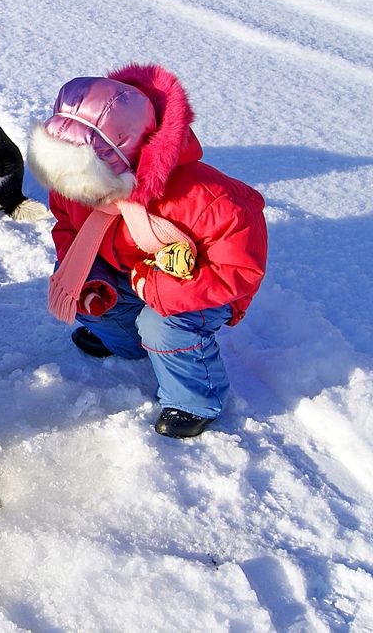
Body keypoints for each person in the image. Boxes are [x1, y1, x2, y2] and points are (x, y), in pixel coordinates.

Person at [26, 64, 267, 438]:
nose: (71, 191)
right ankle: (126, 343)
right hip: (130, 269)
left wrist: (153, 287)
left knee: (162, 326)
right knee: (79, 286)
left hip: (197, 284)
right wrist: (94, 275)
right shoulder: (72, 179)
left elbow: (237, 269)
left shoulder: (205, 198)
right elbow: (70, 227)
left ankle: (193, 400)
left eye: (83, 183)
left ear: (121, 164)